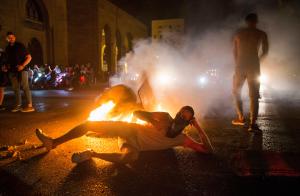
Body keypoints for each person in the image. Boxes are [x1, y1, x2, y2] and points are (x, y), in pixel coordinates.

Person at [35, 106, 214, 164]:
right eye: (180, 113)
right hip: (129, 130)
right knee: (90, 125)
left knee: (130, 158)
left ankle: (91, 153)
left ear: (188, 122)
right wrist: (152, 118)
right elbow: (136, 113)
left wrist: (199, 128)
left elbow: (208, 151)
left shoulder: (182, 139)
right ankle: (54, 142)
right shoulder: (165, 117)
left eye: (185, 118)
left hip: (135, 145)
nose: (180, 117)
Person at [232, 13, 269, 131]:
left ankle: (241, 117)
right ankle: (252, 124)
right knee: (254, 96)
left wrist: (239, 62)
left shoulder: (239, 34)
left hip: (240, 65)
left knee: (236, 91)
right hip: (253, 65)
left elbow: (235, 52)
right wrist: (257, 60)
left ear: (246, 21)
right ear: (256, 21)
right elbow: (265, 51)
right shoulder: (261, 34)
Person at [5, 32, 34, 112]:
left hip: (22, 70)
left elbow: (29, 57)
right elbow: (8, 60)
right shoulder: (7, 48)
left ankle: (30, 106)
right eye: (9, 37)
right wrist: (6, 67)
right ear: (7, 39)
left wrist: (22, 65)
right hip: (12, 71)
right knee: (15, 88)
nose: (11, 38)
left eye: (12, 37)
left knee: (25, 87)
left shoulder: (20, 46)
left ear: (15, 37)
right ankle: (18, 105)